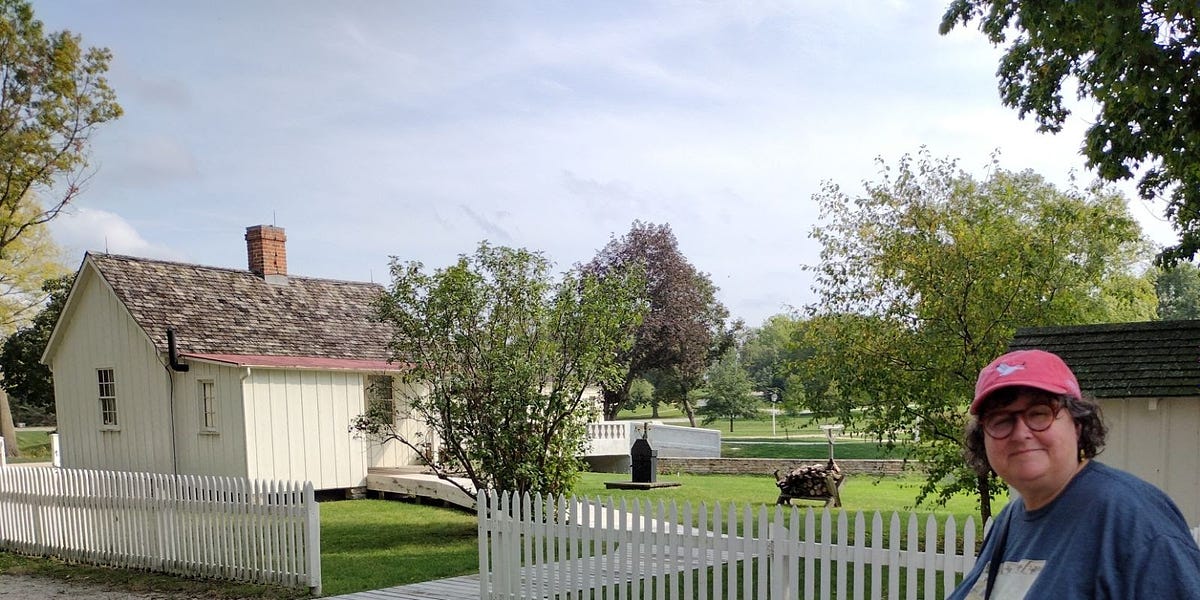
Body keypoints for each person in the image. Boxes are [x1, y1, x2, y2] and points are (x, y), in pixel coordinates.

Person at [949, 349, 1200, 599]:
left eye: (1039, 413)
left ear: (1078, 424)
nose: (1020, 433)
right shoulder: (1009, 521)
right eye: (1000, 420)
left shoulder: (1133, 518)